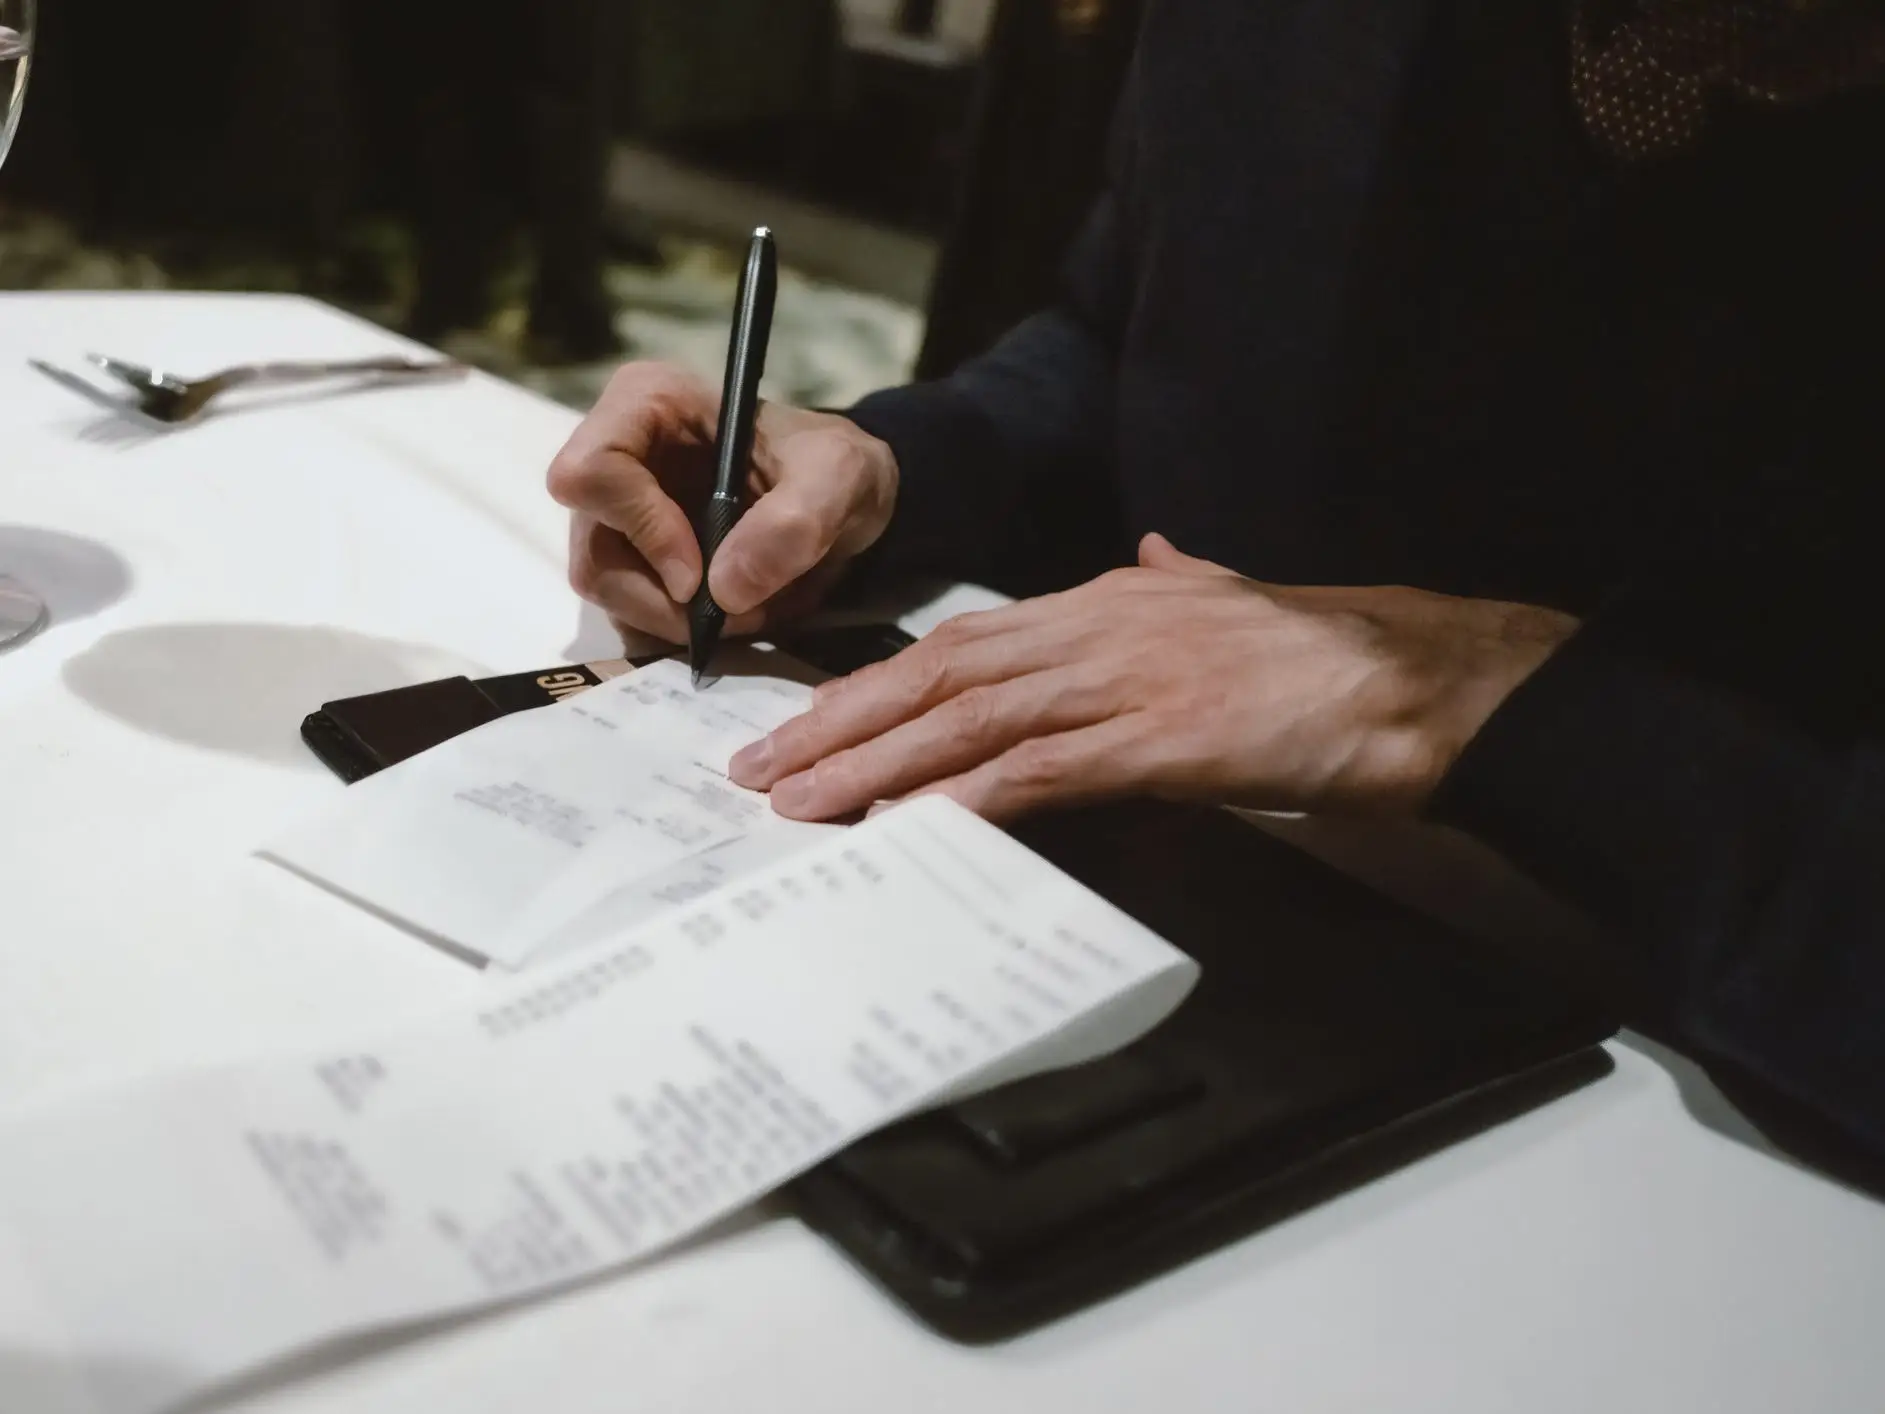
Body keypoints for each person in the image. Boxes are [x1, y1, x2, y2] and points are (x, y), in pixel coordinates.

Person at [546, 0, 1885, 1165]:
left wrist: (1509, 706)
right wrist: (894, 478)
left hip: (1716, 1130)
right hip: (1196, 962)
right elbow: (1142, 342)